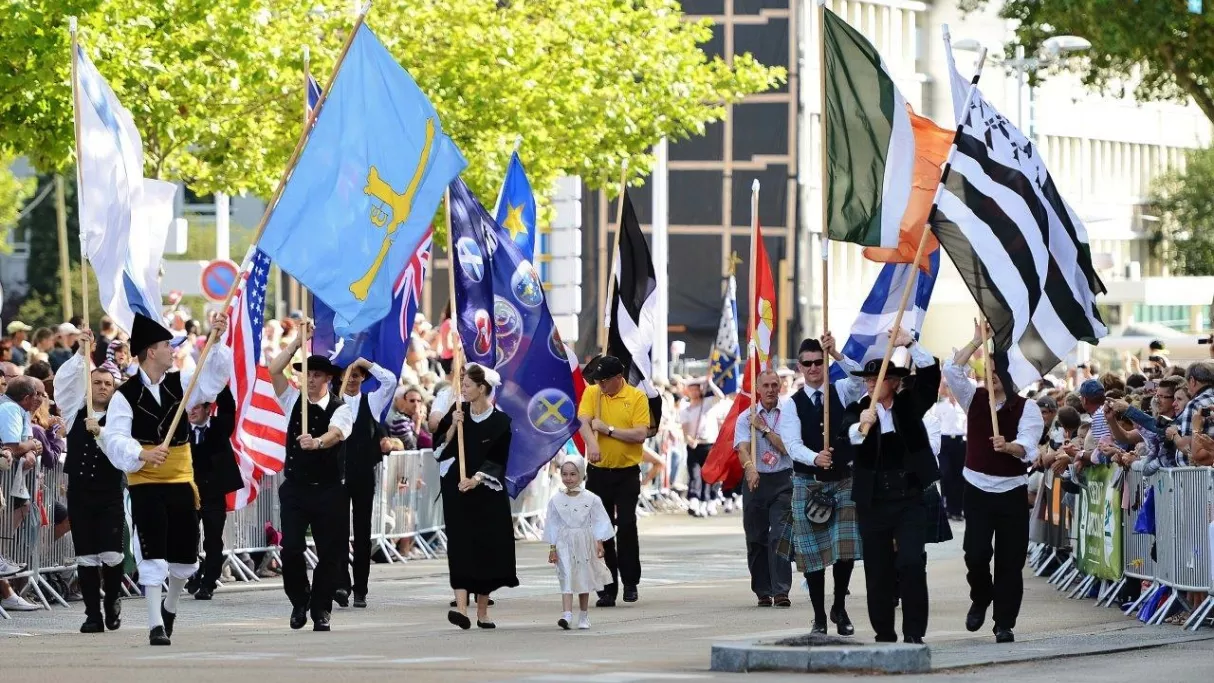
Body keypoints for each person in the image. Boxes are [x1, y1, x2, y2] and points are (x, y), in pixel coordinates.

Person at [99, 312, 232, 646]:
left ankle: (170, 605)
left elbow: (213, 381)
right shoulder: (125, 395)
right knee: (152, 548)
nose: (172, 350)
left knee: (185, 551)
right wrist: (141, 453)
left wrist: (216, 342)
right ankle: (155, 623)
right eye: (166, 345)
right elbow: (114, 437)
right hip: (145, 480)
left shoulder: (181, 381)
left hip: (181, 478)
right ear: (150, 351)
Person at [944, 322, 1042, 644]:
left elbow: (1028, 447)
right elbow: (951, 371)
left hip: (1011, 491)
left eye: (999, 369)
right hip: (977, 488)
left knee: (1010, 561)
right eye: (990, 369)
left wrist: (1009, 446)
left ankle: (1004, 622)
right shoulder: (973, 398)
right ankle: (981, 595)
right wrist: (976, 341)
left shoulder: (1027, 408)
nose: (993, 374)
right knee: (975, 554)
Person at [841, 328, 939, 644]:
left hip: (909, 498)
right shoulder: (856, 410)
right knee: (878, 570)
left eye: (879, 378)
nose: (871, 383)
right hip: (873, 502)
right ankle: (884, 633)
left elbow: (930, 377)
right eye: (868, 380)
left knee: (911, 562)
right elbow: (845, 442)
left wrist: (909, 343)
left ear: (894, 382)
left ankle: (914, 633)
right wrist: (862, 425)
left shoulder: (909, 404)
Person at [268, 325, 353, 633]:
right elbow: (274, 371)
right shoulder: (293, 399)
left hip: (329, 490)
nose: (311, 379)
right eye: (307, 374)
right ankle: (299, 599)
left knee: (330, 552)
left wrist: (317, 442)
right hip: (296, 488)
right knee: (291, 547)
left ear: (328, 378)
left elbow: (337, 433)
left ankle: (321, 609)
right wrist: (296, 342)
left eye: (317, 375)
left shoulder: (340, 408)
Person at [780, 334, 865, 634]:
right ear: (800, 367)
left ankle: (839, 607)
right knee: (812, 556)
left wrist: (838, 354)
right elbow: (792, 444)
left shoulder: (840, 390)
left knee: (845, 549)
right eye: (808, 363)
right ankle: (818, 618)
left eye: (819, 362)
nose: (814, 367)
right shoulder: (791, 405)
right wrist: (815, 458)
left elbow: (860, 379)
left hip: (843, 481)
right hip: (809, 482)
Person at [434, 363, 518, 629]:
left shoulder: (501, 422)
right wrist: (452, 427)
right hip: (457, 489)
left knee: (485, 549)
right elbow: (439, 450)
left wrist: (476, 479)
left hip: (487, 492)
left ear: (482, 388)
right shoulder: (457, 411)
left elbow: (498, 459)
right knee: (460, 546)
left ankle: (482, 611)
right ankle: (461, 609)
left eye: (468, 385)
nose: (463, 389)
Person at [56, 330, 126, 632]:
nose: (102, 387)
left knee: (111, 553)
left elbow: (124, 451)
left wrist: (101, 432)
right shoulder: (75, 412)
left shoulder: (121, 419)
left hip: (109, 493)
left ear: (114, 389)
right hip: (80, 493)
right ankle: (92, 615)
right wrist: (81, 352)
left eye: (107, 384)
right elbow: (64, 384)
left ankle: (112, 602)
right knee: (85, 556)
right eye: (97, 382)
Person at [577, 355, 652, 607]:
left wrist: (608, 430)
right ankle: (607, 586)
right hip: (599, 472)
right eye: (598, 380)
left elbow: (640, 434)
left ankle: (630, 581)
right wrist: (593, 443)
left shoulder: (636, 397)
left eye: (605, 381)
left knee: (627, 524)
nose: (600, 385)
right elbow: (583, 422)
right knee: (602, 528)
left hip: (626, 472)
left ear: (619, 378)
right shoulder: (593, 393)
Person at [734, 369, 807, 610]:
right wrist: (749, 467)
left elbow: (787, 448)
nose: (770, 390)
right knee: (756, 537)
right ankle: (763, 591)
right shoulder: (746, 416)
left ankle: (781, 590)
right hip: (756, 480)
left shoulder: (788, 414)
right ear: (757, 388)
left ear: (780, 387)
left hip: (783, 480)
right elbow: (742, 448)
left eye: (774, 385)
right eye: (765, 385)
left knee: (780, 534)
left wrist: (764, 429)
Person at [336, 357, 399, 609]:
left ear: (363, 378)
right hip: (337, 476)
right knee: (338, 532)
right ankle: (341, 584)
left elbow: (390, 381)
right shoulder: (333, 402)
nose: (351, 379)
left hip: (363, 476)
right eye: (348, 374)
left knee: (362, 534)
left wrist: (366, 363)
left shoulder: (371, 402)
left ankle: (360, 589)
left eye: (356, 375)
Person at [185, 387, 244, 601]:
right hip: (189, 492)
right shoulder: (181, 430)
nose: (192, 411)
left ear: (208, 409)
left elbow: (228, 406)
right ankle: (193, 571)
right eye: (189, 407)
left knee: (212, 538)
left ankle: (209, 582)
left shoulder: (219, 427)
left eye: (197, 407)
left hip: (213, 493)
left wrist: (215, 382)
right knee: (186, 537)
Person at [544, 454, 614, 631]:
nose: (568, 478)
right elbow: (552, 524)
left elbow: (599, 520)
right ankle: (566, 614)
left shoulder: (591, 499)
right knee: (566, 574)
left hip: (584, 541)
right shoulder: (556, 500)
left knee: (583, 576)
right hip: (564, 541)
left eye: (573, 474)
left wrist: (599, 542)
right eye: (565, 474)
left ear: (581, 474)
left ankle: (583, 615)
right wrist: (552, 547)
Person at [680, 377, 724, 517]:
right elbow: (685, 430)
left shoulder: (707, 403)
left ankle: (706, 502)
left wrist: (710, 383)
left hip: (709, 445)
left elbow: (720, 396)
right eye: (691, 389)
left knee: (708, 476)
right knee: (694, 474)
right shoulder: (685, 409)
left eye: (696, 389)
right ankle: (694, 501)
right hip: (694, 446)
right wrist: (690, 440)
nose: (694, 392)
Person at [926, 379, 968, 521]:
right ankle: (946, 506)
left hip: (960, 441)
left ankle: (956, 509)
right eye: (949, 388)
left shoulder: (963, 406)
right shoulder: (940, 406)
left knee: (959, 476)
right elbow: (934, 424)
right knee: (946, 473)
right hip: (945, 441)